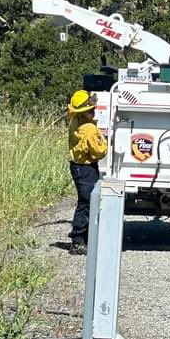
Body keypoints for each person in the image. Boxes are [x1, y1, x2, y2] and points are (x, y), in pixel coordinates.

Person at [67, 89, 108, 255]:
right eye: (91, 109)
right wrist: (103, 140)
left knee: (85, 201)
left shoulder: (75, 122)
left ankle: (83, 238)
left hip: (77, 166)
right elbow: (100, 151)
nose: (93, 111)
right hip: (86, 168)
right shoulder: (89, 129)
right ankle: (78, 240)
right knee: (87, 203)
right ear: (85, 112)